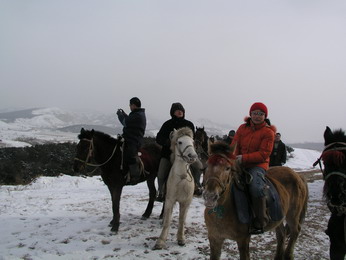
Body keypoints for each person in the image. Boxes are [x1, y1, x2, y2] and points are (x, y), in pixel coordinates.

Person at [231, 102, 276, 234]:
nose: (257, 116)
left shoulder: (268, 132)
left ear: (265, 116)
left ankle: (261, 220)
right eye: (255, 113)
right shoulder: (242, 128)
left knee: (256, 188)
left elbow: (264, 154)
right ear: (250, 114)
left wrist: (243, 158)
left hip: (258, 165)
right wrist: (234, 158)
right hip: (239, 163)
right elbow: (235, 145)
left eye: (260, 114)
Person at [155, 102, 201, 202]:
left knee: (199, 166)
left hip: (187, 155)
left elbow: (194, 139)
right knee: (161, 173)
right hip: (168, 154)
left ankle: (197, 185)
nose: (180, 112)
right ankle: (161, 192)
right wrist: (168, 142)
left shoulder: (189, 125)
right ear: (173, 112)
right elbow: (158, 138)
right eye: (177, 110)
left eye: (181, 110)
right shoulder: (167, 124)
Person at [116, 97, 146, 184]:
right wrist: (124, 114)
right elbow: (129, 120)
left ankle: (135, 176)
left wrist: (120, 115)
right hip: (129, 138)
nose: (129, 106)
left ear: (133, 105)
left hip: (134, 140)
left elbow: (125, 122)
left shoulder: (138, 115)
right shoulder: (137, 114)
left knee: (130, 155)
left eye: (130, 105)